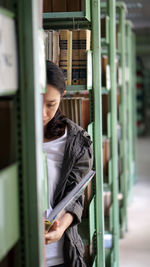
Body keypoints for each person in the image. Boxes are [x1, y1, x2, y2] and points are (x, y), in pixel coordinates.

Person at [43, 60, 93, 267]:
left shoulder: (77, 141)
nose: (42, 113)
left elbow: (75, 198)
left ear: (62, 98)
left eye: (50, 104)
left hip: (60, 255)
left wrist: (61, 227)